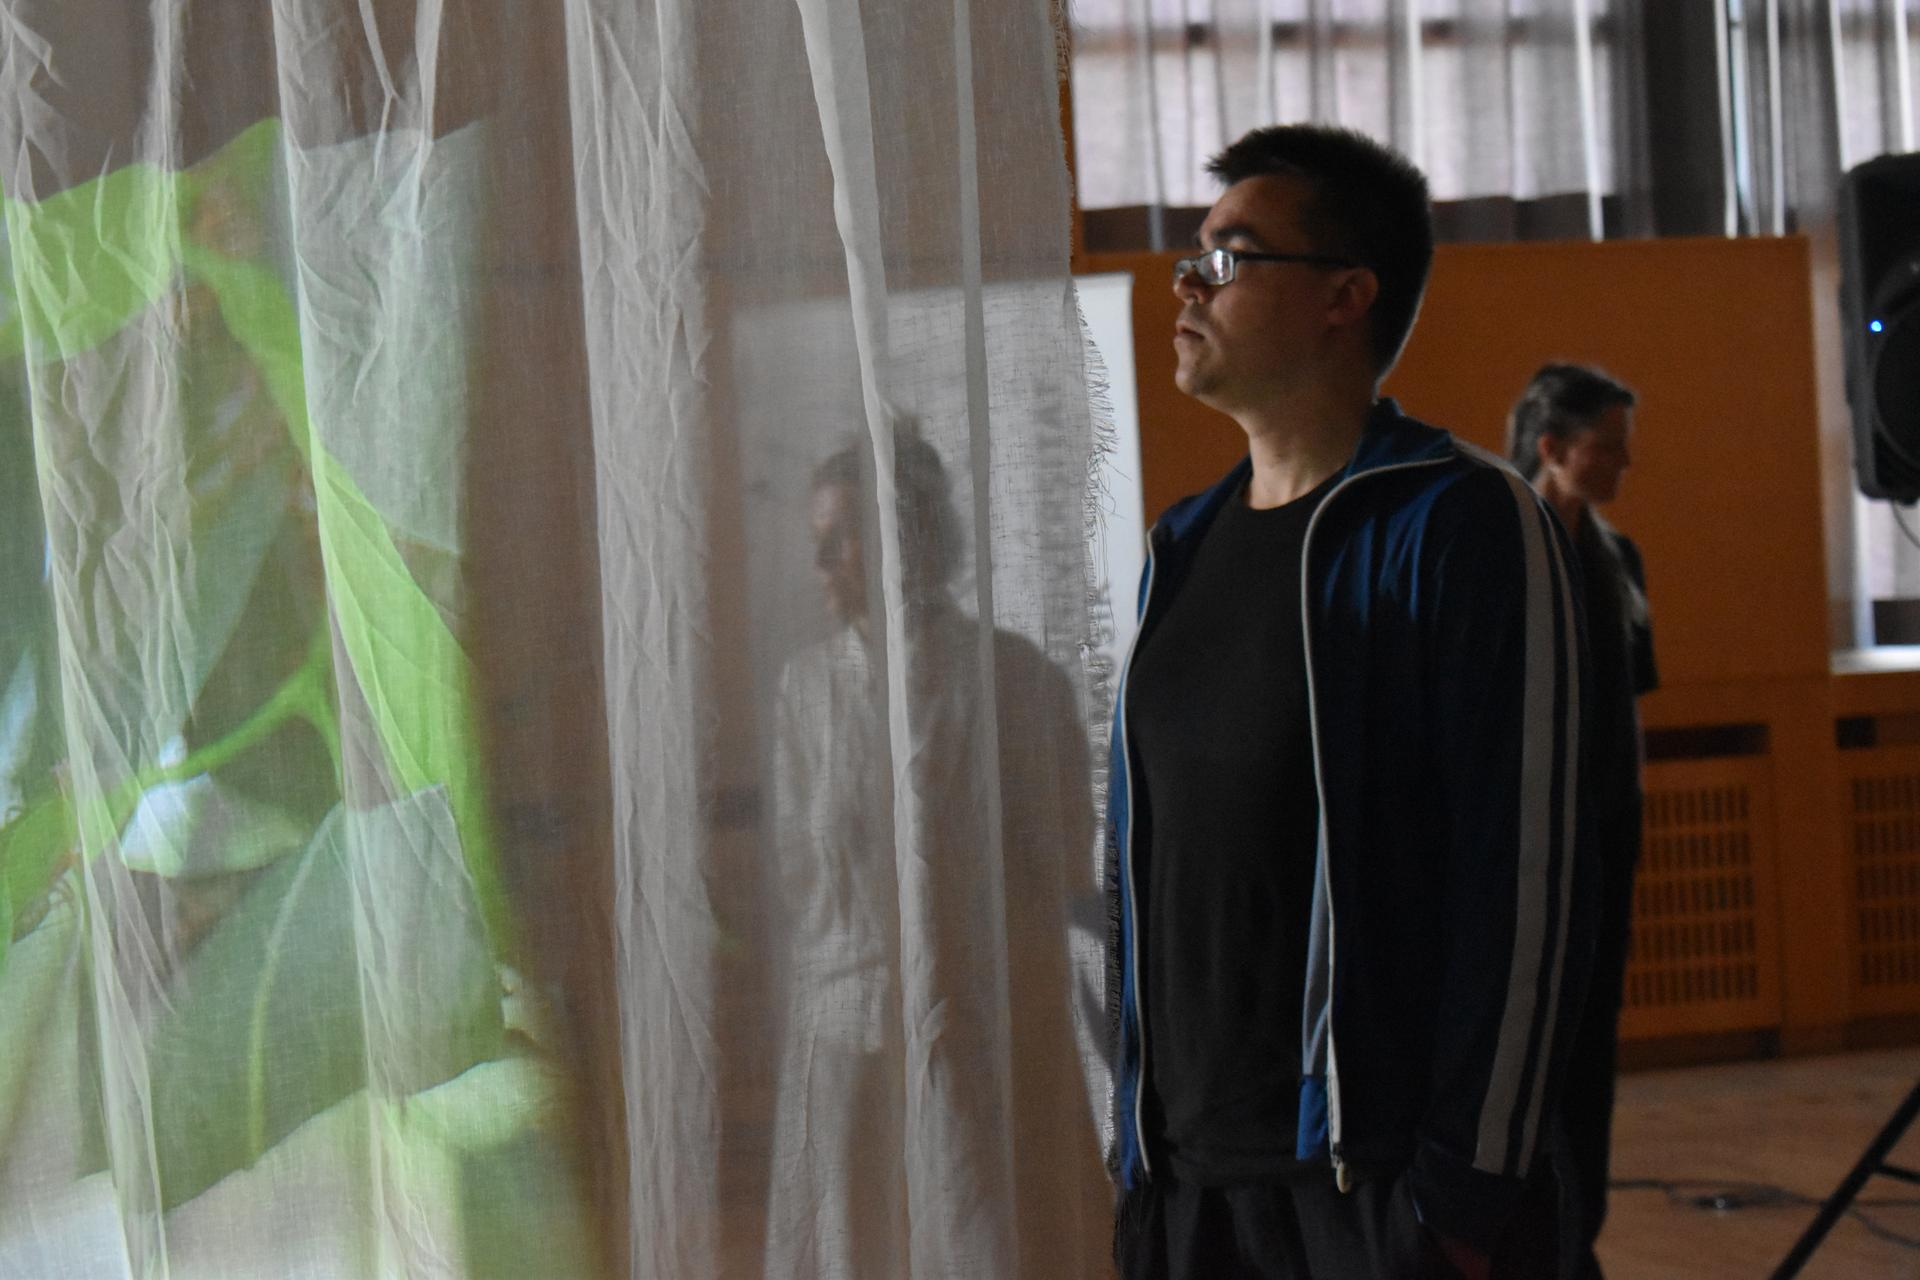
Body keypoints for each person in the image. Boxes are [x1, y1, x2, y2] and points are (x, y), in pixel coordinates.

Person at [1107, 124, 1597, 1280]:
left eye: (1229, 255)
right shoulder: (1181, 540)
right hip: (1189, 1188)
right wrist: (1137, 1158)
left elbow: (1526, 878)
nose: (1186, 279)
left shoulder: (1458, 520)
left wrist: (1460, 1200)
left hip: (1375, 1197)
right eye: (1192, 253)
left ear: (1344, 295)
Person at [764, 426, 1109, 1277]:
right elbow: (800, 874)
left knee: (1002, 1239)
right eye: (817, 543)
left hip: (992, 1033)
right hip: (851, 1043)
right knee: (862, 1242)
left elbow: (1062, 859)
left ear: (905, 536)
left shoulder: (1018, 680)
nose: (822, 564)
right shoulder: (805, 693)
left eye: (841, 539)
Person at [1507, 364, 1658, 1280]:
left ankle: (1578, 1235)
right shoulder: (1496, 550)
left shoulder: (1617, 558)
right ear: (1554, 447)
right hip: (1526, 849)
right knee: (1531, 1046)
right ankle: (1525, 1233)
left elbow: (1629, 702)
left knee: (1592, 1040)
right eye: (1609, 445)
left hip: (1606, 835)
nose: (1626, 462)